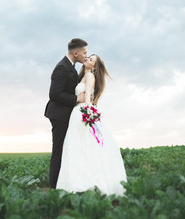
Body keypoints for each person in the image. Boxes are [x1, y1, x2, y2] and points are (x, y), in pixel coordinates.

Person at [56, 54, 127, 196]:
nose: (87, 59)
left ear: (94, 67)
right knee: (83, 147)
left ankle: (85, 183)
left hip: (81, 112)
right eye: (88, 57)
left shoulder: (89, 76)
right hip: (80, 111)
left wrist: (87, 113)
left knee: (81, 147)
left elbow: (88, 95)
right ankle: (84, 182)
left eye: (91, 60)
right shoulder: (83, 76)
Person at [44, 38, 88, 189]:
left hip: (65, 115)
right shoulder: (62, 67)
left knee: (65, 150)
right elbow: (54, 94)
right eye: (84, 52)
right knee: (59, 151)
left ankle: (63, 183)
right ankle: (54, 186)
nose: (86, 55)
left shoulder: (71, 67)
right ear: (76, 53)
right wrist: (77, 98)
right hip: (59, 115)